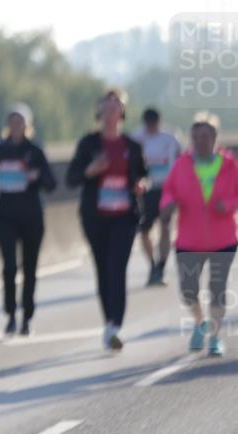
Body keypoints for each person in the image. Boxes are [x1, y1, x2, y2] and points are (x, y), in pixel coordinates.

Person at [67, 89, 147, 351]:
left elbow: (143, 176)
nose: (111, 112)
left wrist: (140, 185)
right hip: (95, 216)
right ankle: (109, 321)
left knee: (117, 268)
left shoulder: (132, 146)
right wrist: (91, 170)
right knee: (102, 270)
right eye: (106, 107)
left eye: (116, 107)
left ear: (122, 112)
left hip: (124, 216)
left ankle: (115, 326)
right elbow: (71, 178)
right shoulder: (88, 144)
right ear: (99, 112)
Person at [159, 112, 238, 357]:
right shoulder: (182, 164)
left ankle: (214, 337)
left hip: (222, 238)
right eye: (195, 136)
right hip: (189, 239)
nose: (200, 141)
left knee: (217, 290)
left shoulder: (229, 165)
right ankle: (199, 321)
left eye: (205, 136)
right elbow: (168, 191)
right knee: (188, 291)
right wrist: (168, 204)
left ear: (214, 136)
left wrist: (230, 204)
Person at [0, 103, 57, 336]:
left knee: (29, 268)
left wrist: (35, 176)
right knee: (8, 266)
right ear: (8, 125)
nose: (16, 126)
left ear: (27, 125)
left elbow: (51, 183)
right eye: (12, 122)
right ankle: (10, 314)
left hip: (31, 216)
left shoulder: (35, 151)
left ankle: (27, 316)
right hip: (5, 214)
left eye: (20, 122)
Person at [133, 107, 182, 286]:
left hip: (167, 189)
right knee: (144, 230)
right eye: (148, 124)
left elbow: (180, 159)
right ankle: (152, 264)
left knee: (165, 226)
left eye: (154, 124)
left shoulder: (170, 139)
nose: (151, 127)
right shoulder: (136, 139)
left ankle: (161, 265)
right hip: (146, 190)